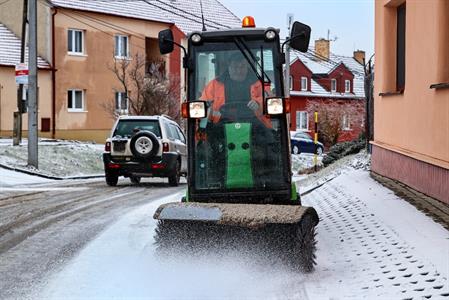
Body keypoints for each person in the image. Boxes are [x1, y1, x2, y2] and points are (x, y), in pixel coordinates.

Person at [199, 52, 272, 128]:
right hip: (221, 124)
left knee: (269, 137)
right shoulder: (214, 85)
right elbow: (202, 105)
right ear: (229, 67)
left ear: (247, 67)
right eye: (235, 67)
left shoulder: (260, 84)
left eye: (242, 67)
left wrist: (258, 104)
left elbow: (269, 100)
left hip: (255, 124)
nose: (239, 71)